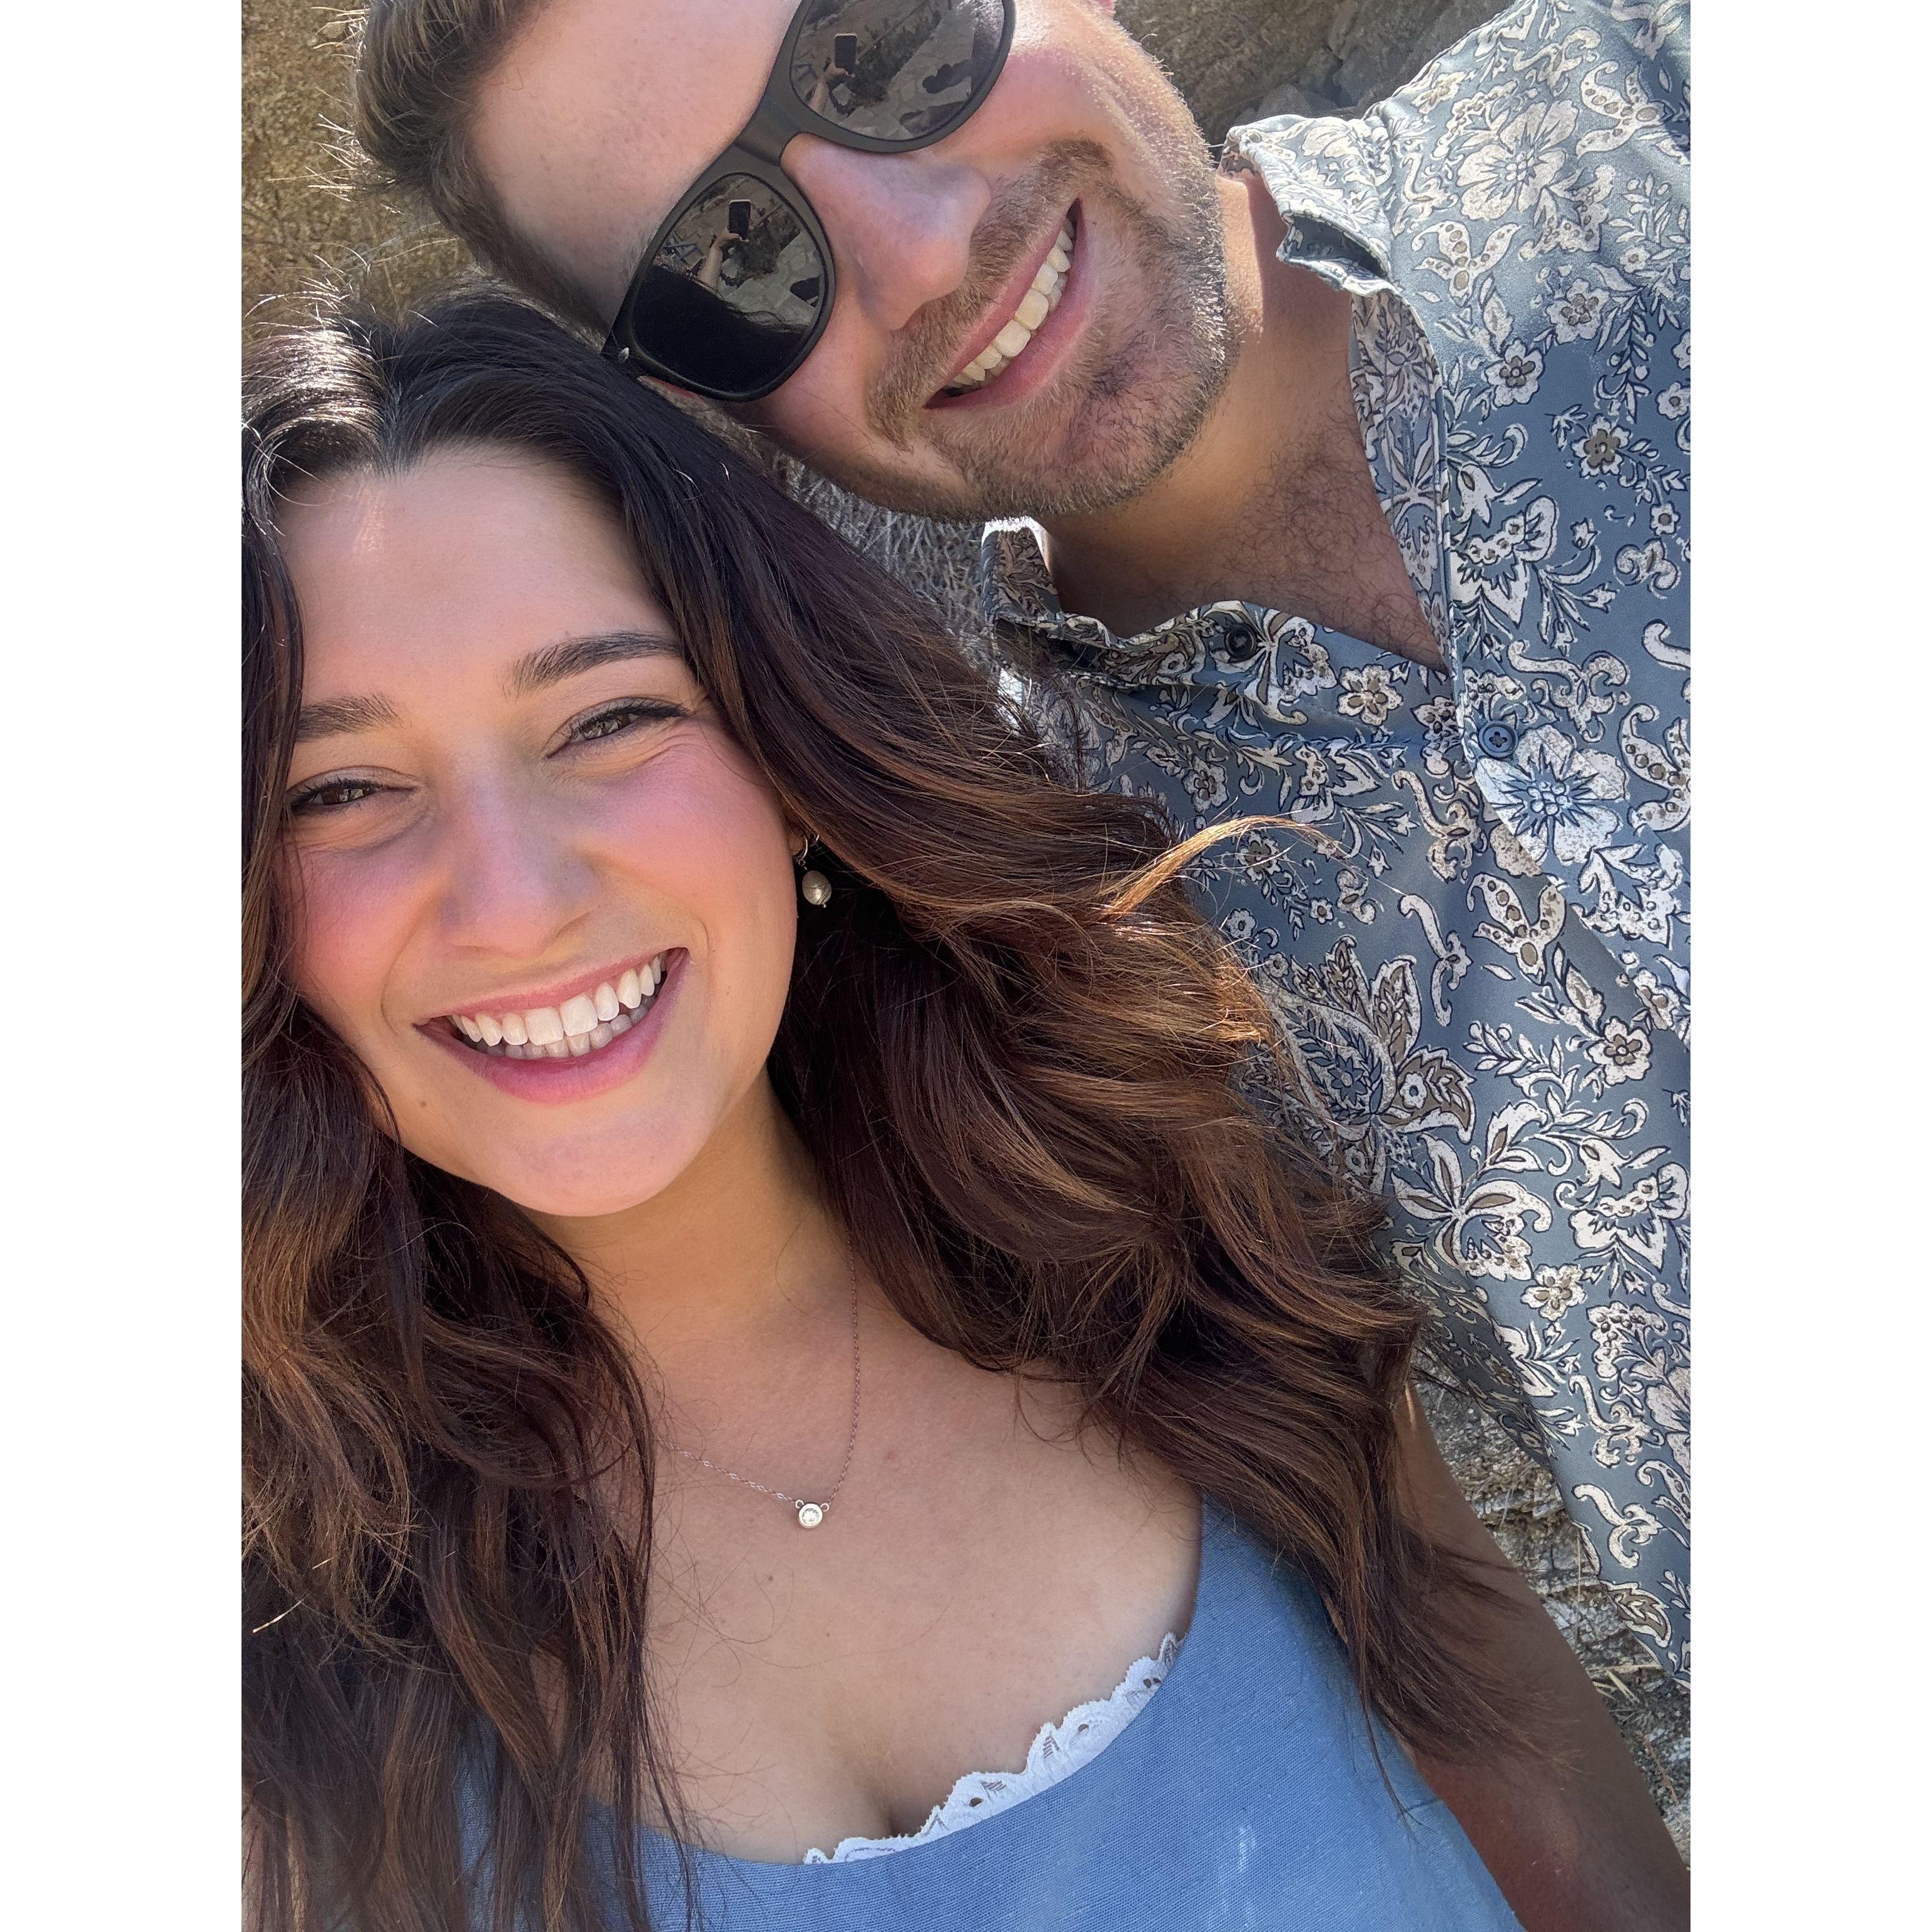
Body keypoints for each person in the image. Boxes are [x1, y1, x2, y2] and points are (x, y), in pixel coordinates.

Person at [241, 294, 1682, 1930]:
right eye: (339, 790)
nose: (515, 902)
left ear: (784, 759)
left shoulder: (1165, 1233)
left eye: (609, 718)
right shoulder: (243, 1674)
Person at [347, 0, 1692, 1690]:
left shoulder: (1685, 105)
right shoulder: (949, 877)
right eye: (733, 260)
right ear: (694, 391)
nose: (919, 253)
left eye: (893, 44)